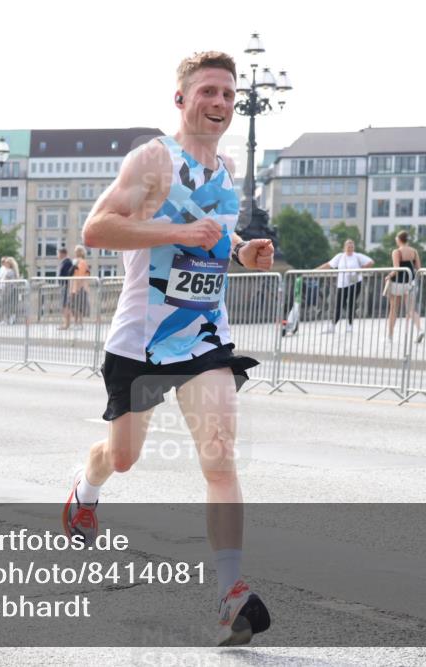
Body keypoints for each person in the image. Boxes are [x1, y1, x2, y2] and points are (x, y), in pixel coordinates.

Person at [61, 51, 274, 646]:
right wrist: (178, 231)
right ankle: (85, 490)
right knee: (123, 456)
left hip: (204, 337)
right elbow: (96, 229)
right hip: (142, 341)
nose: (220, 103)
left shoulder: (226, 169)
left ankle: (231, 595)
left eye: (229, 94)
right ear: (181, 100)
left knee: (220, 458)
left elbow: (216, 233)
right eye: (208, 91)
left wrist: (241, 252)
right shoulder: (154, 159)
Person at [315, 239, 374, 333]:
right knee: (339, 304)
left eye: (352, 247)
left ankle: (349, 325)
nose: (350, 248)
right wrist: (316, 270)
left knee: (351, 304)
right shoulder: (340, 256)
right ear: (344, 247)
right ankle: (332, 326)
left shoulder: (357, 256)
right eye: (348, 247)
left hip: (355, 282)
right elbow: (329, 264)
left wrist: (361, 269)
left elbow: (371, 262)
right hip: (342, 284)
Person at [384, 230, 424, 344]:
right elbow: (419, 268)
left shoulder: (396, 251)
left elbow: (396, 269)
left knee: (393, 309)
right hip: (411, 282)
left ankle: (390, 337)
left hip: (398, 283)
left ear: (399, 239)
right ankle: (420, 330)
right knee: (411, 309)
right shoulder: (414, 251)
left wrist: (388, 276)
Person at [69, 245, 90, 329]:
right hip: (75, 287)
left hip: (79, 287)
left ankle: (79, 323)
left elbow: (81, 275)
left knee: (79, 306)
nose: (75, 253)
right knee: (75, 306)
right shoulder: (76, 262)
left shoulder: (82, 262)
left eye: (76, 251)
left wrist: (78, 287)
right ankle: (76, 323)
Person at [0, 256, 20, 324]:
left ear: (9, 264)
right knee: (10, 304)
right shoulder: (14, 271)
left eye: (6, 263)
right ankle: (9, 319)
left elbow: (5, 281)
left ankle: (4, 320)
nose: (5, 264)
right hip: (11, 289)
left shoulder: (9, 272)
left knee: (4, 304)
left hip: (8, 289)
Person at [57, 247, 75, 330]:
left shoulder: (67, 262)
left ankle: (66, 324)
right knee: (64, 305)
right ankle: (66, 323)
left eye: (58, 253)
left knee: (65, 305)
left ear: (62, 253)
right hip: (64, 286)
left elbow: (67, 274)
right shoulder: (65, 262)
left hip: (66, 286)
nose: (58, 255)